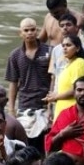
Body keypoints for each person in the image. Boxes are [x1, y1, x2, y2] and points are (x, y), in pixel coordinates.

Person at [5, 18, 52, 151]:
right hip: (25, 105)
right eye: (26, 30)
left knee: (45, 145)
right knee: (25, 146)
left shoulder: (50, 51)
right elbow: (13, 83)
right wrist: (11, 110)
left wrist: (51, 107)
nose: (30, 33)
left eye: (32, 29)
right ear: (20, 33)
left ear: (37, 31)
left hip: (45, 104)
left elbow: (55, 79)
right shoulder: (15, 55)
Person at [44, 35, 84, 120]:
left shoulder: (79, 63)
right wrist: (53, 96)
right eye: (63, 46)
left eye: (68, 45)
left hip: (71, 111)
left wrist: (55, 97)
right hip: (62, 111)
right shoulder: (68, 65)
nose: (64, 48)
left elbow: (77, 89)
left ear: (77, 48)